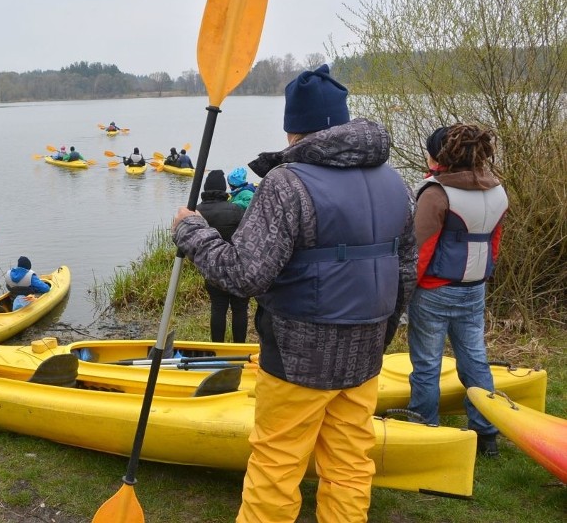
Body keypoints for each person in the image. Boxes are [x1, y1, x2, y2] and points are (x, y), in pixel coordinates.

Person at [172, 64, 416, 522]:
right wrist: (383, 330)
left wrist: (191, 232)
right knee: (348, 464)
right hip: (364, 353)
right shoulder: (393, 180)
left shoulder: (287, 183)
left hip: (296, 355)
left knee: (277, 465)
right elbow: (406, 268)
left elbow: (244, 275)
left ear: (292, 128)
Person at [406, 123, 509, 458]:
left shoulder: (436, 193)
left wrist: (403, 294)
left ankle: (424, 430)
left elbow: (420, 252)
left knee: (426, 365)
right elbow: (494, 244)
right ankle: (486, 434)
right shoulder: (498, 191)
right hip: (474, 288)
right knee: (476, 359)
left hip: (434, 290)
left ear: (439, 155)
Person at [195, 170, 249, 343]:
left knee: (218, 308)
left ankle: (217, 348)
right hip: (237, 268)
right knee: (240, 309)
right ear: (223, 188)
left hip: (212, 269)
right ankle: (239, 348)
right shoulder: (235, 209)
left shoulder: (196, 211)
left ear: (205, 188)